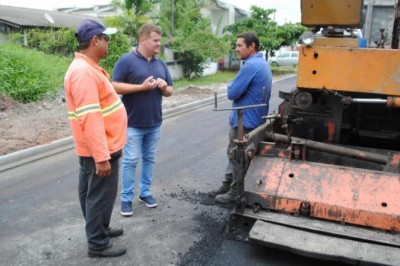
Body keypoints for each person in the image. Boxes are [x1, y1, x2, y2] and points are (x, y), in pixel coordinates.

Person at [64, 19, 128, 258]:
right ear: (95, 40)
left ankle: (100, 228)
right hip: (101, 149)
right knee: (100, 195)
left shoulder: (86, 68)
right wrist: (101, 157)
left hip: (99, 146)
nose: (108, 42)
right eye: (106, 38)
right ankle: (98, 243)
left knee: (93, 193)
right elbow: (90, 118)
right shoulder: (83, 73)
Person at [112, 23, 173, 217]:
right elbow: (114, 87)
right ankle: (126, 199)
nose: (158, 44)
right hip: (132, 123)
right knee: (130, 160)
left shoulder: (160, 63)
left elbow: (171, 90)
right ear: (143, 39)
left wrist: (164, 88)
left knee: (149, 159)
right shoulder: (127, 61)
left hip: (155, 122)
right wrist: (142, 87)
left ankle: (145, 193)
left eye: (159, 41)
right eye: (155, 40)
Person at [208, 32, 272, 204]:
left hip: (245, 122)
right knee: (235, 156)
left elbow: (232, 92)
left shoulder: (250, 66)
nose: (236, 49)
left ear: (252, 46)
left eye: (239, 45)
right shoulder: (262, 63)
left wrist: (231, 85)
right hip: (256, 121)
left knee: (237, 156)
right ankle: (227, 185)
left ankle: (235, 192)